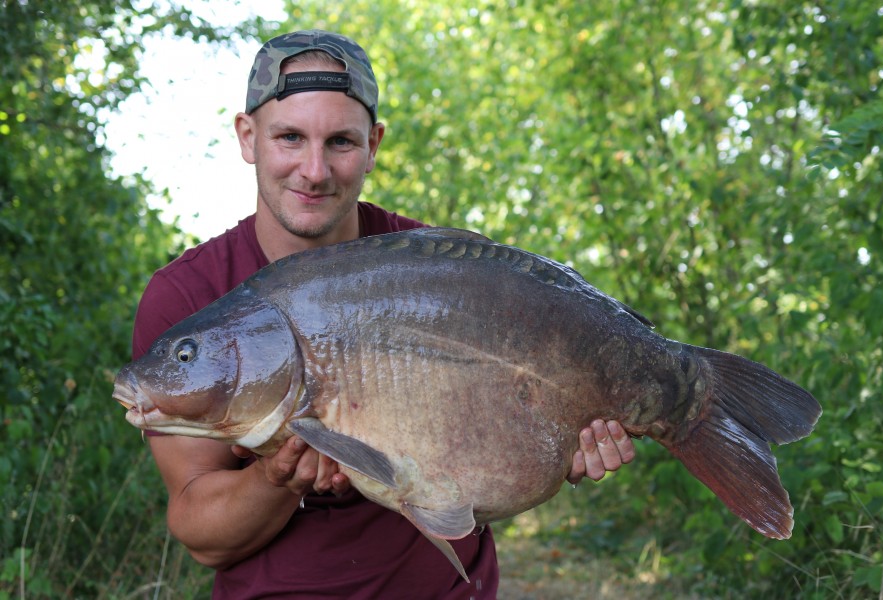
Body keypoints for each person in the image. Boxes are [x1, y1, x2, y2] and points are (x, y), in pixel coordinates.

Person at [131, 29, 635, 599]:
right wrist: (277, 477)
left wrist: (558, 437)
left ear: (373, 144)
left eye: (341, 142)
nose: (314, 170)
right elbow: (203, 535)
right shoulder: (187, 294)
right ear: (249, 137)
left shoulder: (439, 269)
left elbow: (499, 439)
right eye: (290, 137)